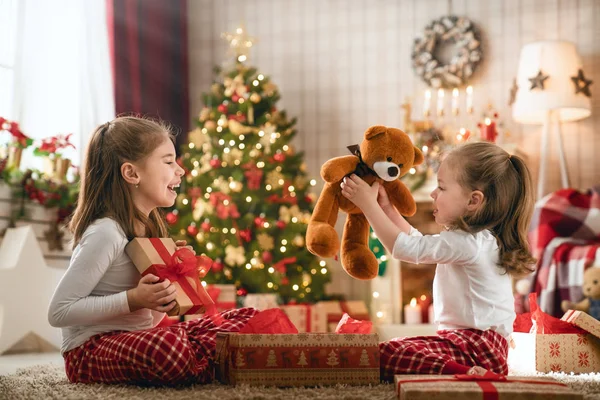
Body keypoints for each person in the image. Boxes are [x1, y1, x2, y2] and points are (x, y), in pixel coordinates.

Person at [48, 116, 258, 386]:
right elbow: (59, 312)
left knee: (246, 318)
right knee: (168, 348)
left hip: (137, 340)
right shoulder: (105, 233)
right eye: (169, 161)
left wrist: (169, 284)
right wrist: (134, 298)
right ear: (132, 173)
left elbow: (151, 319)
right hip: (89, 352)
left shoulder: (149, 231)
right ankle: (214, 362)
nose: (180, 171)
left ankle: (209, 359)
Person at [341, 141, 536, 380]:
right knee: (390, 350)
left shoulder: (469, 242)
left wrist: (368, 206)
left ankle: (467, 373)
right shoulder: (477, 240)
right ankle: (464, 370)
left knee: (387, 353)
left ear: (473, 201)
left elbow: (403, 248)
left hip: (476, 347)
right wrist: (387, 208)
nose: (433, 193)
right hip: (478, 345)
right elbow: (416, 241)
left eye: (442, 188)